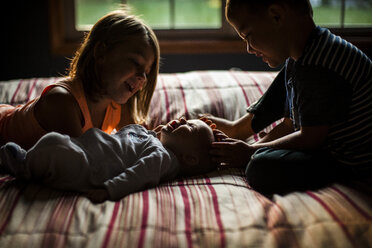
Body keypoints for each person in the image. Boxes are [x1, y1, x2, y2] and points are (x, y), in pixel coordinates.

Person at [203, 0, 372, 194]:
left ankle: (242, 137)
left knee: (260, 168)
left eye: (248, 36)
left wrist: (251, 152)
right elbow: (289, 124)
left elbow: (310, 138)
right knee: (258, 151)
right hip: (324, 144)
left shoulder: (319, 65)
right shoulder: (305, 55)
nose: (249, 49)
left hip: (347, 161)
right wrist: (248, 147)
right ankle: (237, 129)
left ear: (277, 16)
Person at [0, 9, 160, 150]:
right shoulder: (61, 101)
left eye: (146, 72)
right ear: (101, 53)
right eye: (135, 62)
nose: (142, 77)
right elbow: (86, 164)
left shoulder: (117, 106)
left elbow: (137, 145)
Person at [0, 118, 217, 203]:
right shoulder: (153, 140)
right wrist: (155, 131)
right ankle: (24, 161)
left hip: (89, 169)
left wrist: (110, 189)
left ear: (189, 158)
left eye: (189, 126)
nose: (181, 120)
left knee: (55, 145)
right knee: (55, 144)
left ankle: (24, 166)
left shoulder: (162, 157)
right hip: (82, 149)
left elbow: (140, 174)